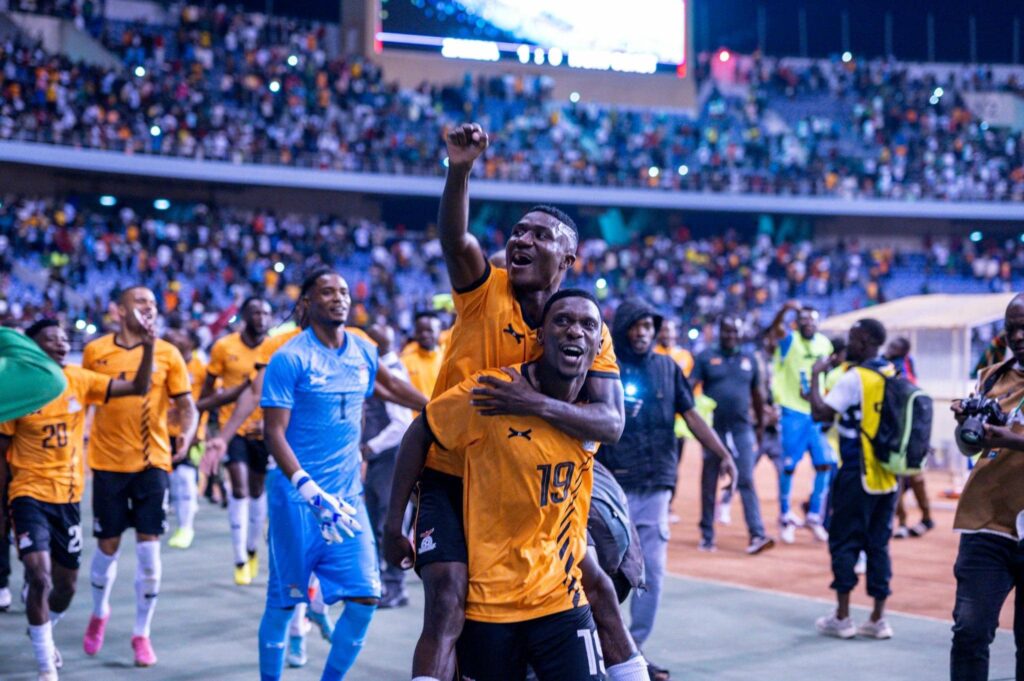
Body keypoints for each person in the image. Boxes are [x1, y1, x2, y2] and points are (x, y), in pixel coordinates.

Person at [384, 123, 644, 681]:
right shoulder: (486, 290)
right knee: (450, 599)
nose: (521, 240)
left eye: (539, 236)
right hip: (453, 472)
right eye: (517, 232)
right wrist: (459, 169)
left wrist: (530, 403)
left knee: (595, 581)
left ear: (569, 258)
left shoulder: (580, 323)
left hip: (534, 478)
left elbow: (611, 420)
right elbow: (457, 241)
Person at [395, 290, 609, 680]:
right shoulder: (494, 391)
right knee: (444, 603)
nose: (575, 331)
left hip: (560, 600)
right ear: (540, 335)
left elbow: (613, 428)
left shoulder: (596, 412)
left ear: (600, 343)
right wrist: (392, 525)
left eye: (587, 326)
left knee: (605, 590)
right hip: (490, 605)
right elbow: (420, 430)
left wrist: (535, 405)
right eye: (562, 321)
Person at [256, 268, 426, 681]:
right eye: (327, 291)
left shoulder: (363, 349)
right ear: (307, 304)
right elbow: (272, 433)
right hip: (297, 500)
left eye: (344, 291)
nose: (339, 297)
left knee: (366, 599)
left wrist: (438, 408)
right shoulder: (289, 358)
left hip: (347, 501)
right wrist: (307, 487)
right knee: (284, 602)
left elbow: (388, 388)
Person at [0, 319, 154, 681]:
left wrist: (148, 346)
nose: (59, 344)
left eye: (63, 338)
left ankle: (44, 628)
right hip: (27, 492)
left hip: (68, 498)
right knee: (39, 576)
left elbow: (138, 385)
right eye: (50, 340)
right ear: (32, 350)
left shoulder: (79, 379)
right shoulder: (18, 392)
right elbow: (1, 453)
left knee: (65, 586)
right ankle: (45, 667)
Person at [597, 298, 737, 678]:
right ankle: (602, 651)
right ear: (622, 327)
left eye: (649, 326)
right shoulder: (603, 367)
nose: (643, 333)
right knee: (602, 575)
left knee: (652, 576)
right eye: (636, 326)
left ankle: (632, 651)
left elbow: (690, 414)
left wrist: (722, 452)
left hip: (656, 486)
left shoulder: (668, 368)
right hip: (609, 490)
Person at [81, 286, 198, 667]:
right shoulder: (96, 351)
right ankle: (99, 612)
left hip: (153, 463)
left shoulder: (168, 353)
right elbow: (82, 398)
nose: (149, 307)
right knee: (107, 547)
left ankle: (141, 634)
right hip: (108, 463)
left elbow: (186, 405)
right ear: (118, 310)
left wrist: (187, 435)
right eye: (140, 301)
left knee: (149, 552)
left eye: (153, 302)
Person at [805, 318, 899, 641]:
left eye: (853, 338)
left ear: (866, 341)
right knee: (878, 544)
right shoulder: (891, 371)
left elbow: (820, 413)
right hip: (888, 475)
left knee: (844, 540)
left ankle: (843, 616)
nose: (848, 344)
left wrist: (817, 374)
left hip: (857, 470)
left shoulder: (855, 377)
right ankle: (877, 618)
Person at [950, 293, 1024, 681]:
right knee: (969, 633)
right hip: (987, 522)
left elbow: (1005, 440)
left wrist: (1009, 438)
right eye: (1012, 327)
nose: (1019, 334)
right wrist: (968, 428)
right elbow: (971, 448)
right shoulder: (991, 376)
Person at [201, 297, 273, 585]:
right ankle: (240, 557)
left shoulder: (277, 348)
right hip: (234, 431)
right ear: (244, 315)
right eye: (255, 311)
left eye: (266, 311)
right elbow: (208, 391)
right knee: (240, 488)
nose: (260, 316)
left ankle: (253, 547)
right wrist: (208, 425)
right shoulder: (224, 347)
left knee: (257, 491)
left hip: (266, 431)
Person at [692, 316, 773, 555]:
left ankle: (757, 534)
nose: (730, 336)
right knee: (709, 481)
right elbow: (690, 386)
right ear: (720, 332)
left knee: (746, 479)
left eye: (735, 332)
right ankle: (707, 534)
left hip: (742, 429)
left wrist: (759, 427)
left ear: (741, 334)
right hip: (713, 431)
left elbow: (757, 395)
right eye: (726, 331)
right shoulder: (706, 357)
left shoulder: (749, 359)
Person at [769, 301, 834, 544]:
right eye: (803, 320)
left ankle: (814, 516)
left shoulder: (824, 344)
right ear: (797, 323)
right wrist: (784, 310)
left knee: (824, 465)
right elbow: (775, 329)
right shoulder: (790, 340)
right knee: (788, 466)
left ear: (818, 322)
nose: (808, 323)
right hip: (793, 412)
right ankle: (785, 517)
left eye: (812, 320)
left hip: (816, 413)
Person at [362, 322, 414, 612]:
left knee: (390, 523)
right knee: (377, 520)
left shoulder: (390, 373)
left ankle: (395, 586)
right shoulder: (386, 368)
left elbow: (401, 423)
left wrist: (371, 446)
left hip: (390, 456)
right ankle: (387, 583)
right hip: (382, 458)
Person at [883, 337, 934, 540]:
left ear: (903, 351)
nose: (889, 348)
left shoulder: (904, 367)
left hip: (913, 427)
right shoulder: (885, 364)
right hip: (896, 427)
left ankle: (926, 517)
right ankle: (903, 522)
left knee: (916, 476)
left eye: (894, 346)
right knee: (897, 478)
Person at [0, 326, 68, 423]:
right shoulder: (19, 377)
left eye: (65, 340)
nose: (61, 344)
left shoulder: (78, 374)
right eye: (51, 339)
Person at [401, 311, 446, 403]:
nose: (424, 334)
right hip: (417, 415)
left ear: (439, 331)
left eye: (429, 330)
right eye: (419, 331)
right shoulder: (405, 360)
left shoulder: (448, 357)